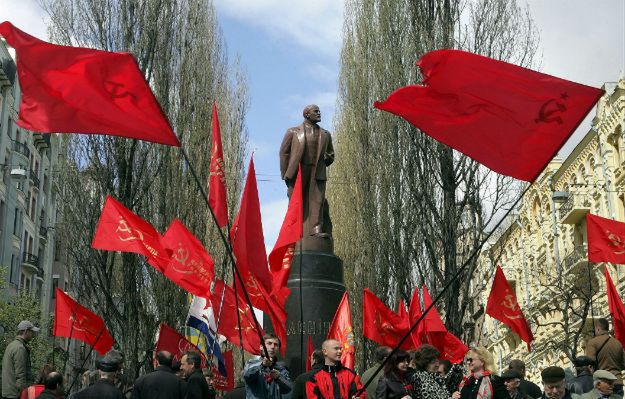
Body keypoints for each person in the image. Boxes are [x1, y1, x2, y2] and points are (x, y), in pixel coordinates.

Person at [279, 104, 335, 238]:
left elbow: (331, 154)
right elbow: (284, 153)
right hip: (298, 171)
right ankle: (294, 229)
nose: (319, 113)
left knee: (317, 200)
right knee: (296, 200)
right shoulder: (293, 132)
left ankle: (316, 229)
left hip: (318, 171)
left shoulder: (325, 134)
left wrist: (328, 158)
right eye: (316, 111)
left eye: (319, 111)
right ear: (307, 114)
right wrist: (286, 174)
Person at [243, 333, 292, 399]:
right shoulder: (251, 363)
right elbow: (247, 375)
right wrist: (262, 365)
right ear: (261, 347)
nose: (272, 347)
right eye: (269, 343)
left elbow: (289, 388)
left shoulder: (281, 368)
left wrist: (278, 378)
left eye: (276, 345)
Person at [585, 318, 625, 396]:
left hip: (602, 384)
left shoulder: (592, 343)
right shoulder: (617, 343)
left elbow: (589, 364)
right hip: (617, 382)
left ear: (598, 328)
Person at [2, 320, 39, 399]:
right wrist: (24, 394)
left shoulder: (11, 345)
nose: (33, 335)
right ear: (26, 331)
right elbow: (20, 375)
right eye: (31, 332)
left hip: (9, 392)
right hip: (15, 394)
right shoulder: (20, 348)